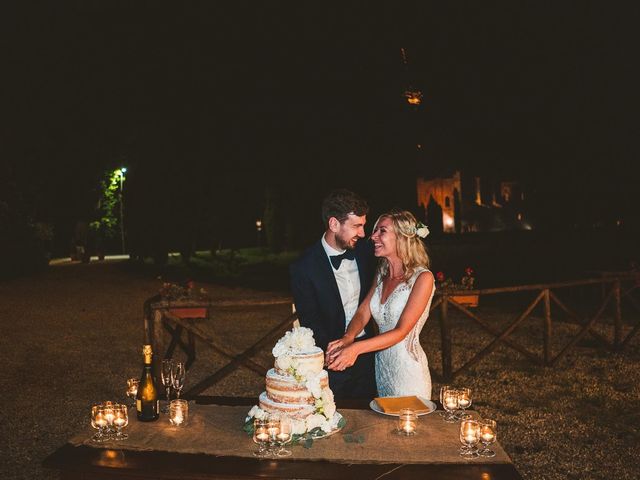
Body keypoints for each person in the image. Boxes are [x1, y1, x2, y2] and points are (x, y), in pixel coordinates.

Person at [326, 210, 435, 399]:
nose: (373, 236)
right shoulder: (382, 273)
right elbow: (363, 312)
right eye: (375, 230)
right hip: (382, 367)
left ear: (402, 237)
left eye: (381, 231)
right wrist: (348, 337)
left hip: (408, 372)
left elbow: (401, 331)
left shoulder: (423, 278)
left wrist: (355, 349)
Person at [290, 189, 377, 400]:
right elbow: (310, 320)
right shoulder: (304, 266)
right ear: (334, 224)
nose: (363, 233)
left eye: (363, 225)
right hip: (331, 364)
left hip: (368, 356)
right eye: (357, 226)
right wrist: (335, 356)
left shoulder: (366, 252)